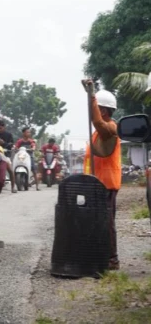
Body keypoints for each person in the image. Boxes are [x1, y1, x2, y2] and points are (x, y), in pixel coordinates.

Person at [82, 79, 122, 270]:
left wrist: (91, 95)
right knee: (96, 221)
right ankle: (100, 255)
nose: (92, 113)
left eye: (96, 108)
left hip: (106, 183)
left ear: (103, 110)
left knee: (106, 222)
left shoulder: (110, 129)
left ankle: (112, 259)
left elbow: (97, 120)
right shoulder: (98, 133)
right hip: (97, 183)